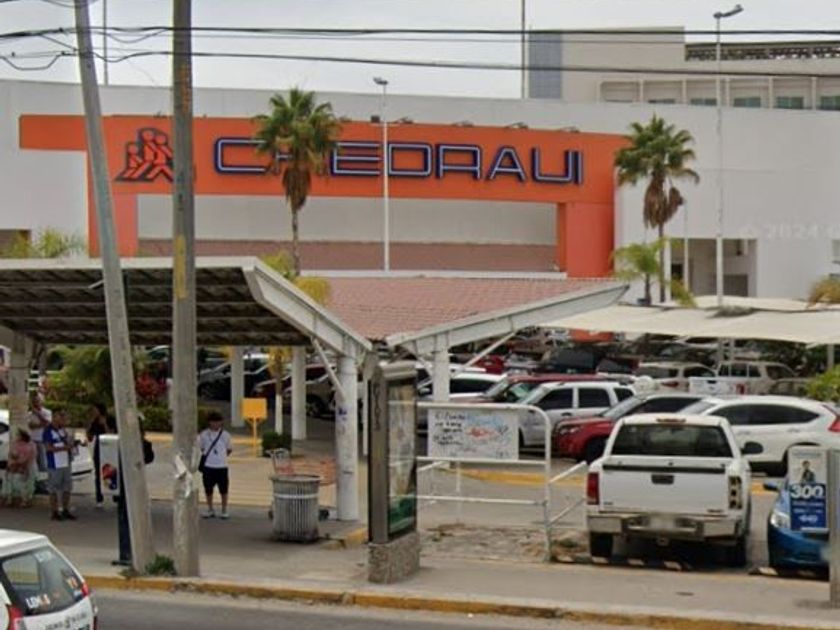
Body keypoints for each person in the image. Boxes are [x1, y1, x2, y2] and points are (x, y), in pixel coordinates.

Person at [198, 411, 233, 519]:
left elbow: (229, 449)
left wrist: (221, 457)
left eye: (218, 422)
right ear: (209, 422)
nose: (216, 424)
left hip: (222, 467)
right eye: (213, 422)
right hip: (208, 466)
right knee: (208, 489)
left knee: (224, 490)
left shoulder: (226, 435)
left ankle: (224, 510)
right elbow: (202, 447)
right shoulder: (204, 434)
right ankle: (210, 509)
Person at [42, 410, 75, 521]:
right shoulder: (48, 431)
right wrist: (63, 448)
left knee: (67, 487)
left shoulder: (62, 430)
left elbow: (67, 442)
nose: (63, 420)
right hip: (55, 464)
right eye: (61, 418)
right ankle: (54, 511)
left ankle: (65, 509)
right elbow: (48, 448)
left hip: (65, 462)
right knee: (54, 488)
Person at [1, 427, 36, 507]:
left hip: (24, 466)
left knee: (21, 483)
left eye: (18, 435)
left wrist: (19, 464)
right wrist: (11, 464)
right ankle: (9, 499)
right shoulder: (14, 444)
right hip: (13, 466)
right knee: (8, 481)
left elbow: (28, 458)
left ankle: (24, 500)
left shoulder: (30, 445)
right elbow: (11, 455)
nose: (16, 436)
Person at [87, 403, 110, 508]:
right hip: (98, 447)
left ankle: (116, 494)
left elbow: (110, 434)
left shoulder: (109, 419)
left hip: (109, 447)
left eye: (95, 410)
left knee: (111, 471)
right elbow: (90, 438)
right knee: (98, 474)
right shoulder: (94, 421)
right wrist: (90, 423)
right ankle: (99, 497)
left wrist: (105, 425)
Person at [28, 392, 52, 473]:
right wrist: (41, 424)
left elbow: (47, 423)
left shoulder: (47, 412)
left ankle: (44, 476)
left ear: (41, 402)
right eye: (34, 401)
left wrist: (38, 414)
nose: (36, 403)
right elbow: (30, 425)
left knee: (43, 460)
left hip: (42, 439)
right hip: (33, 439)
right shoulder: (30, 414)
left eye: (37, 401)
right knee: (33, 461)